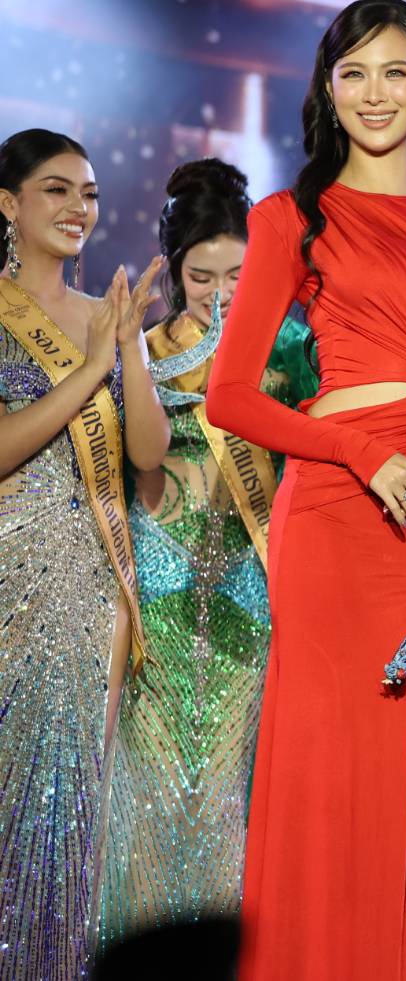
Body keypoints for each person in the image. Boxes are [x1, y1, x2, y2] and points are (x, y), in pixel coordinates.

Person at [205, 0, 406, 979]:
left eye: (394, 71)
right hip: (340, 519)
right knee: (335, 775)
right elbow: (230, 397)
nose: (375, 93)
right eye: (354, 73)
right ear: (328, 90)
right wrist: (363, 455)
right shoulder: (289, 218)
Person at [98, 158, 316, 942]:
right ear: (172, 267)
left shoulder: (290, 348)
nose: (219, 293)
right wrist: (131, 349)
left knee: (229, 791)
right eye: (200, 276)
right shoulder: (142, 346)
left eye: (237, 274)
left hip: (247, 588)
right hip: (155, 586)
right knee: (147, 792)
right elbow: (141, 459)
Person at [0, 128, 168, 979]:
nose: (78, 208)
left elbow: (147, 455)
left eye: (91, 193)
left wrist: (127, 346)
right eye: (57, 189)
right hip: (10, 581)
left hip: (94, 586)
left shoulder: (107, 316)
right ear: (8, 203)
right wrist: (90, 365)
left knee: (69, 808)